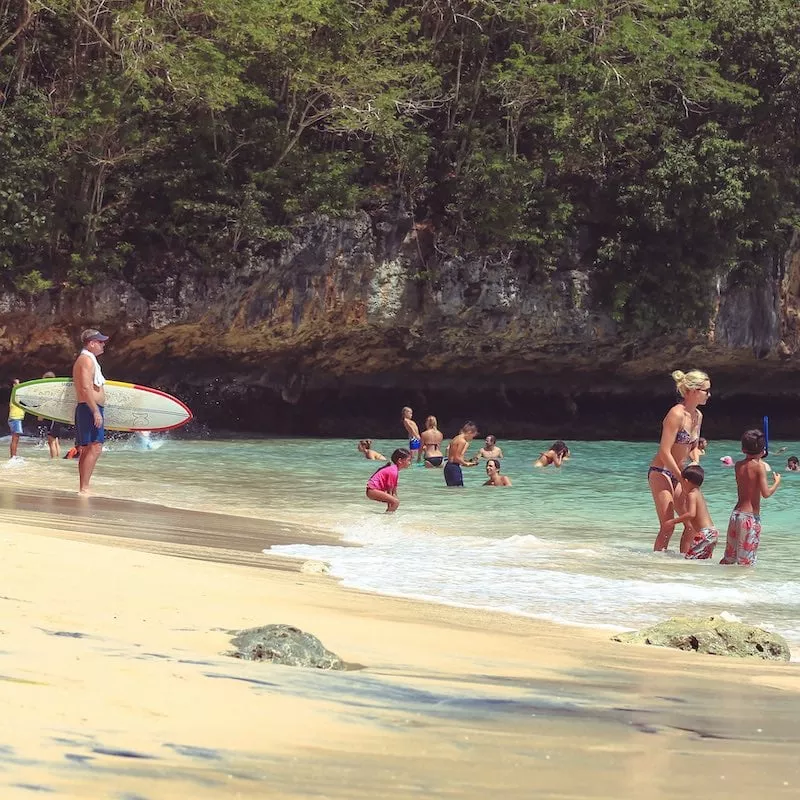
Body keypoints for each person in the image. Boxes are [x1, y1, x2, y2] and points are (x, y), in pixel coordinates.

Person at [649, 369, 710, 553]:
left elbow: (692, 448)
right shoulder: (676, 414)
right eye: (705, 390)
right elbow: (664, 451)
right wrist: (681, 478)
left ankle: (684, 565)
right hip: (662, 471)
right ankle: (656, 563)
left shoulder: (698, 416)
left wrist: (695, 460)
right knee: (668, 526)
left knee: (691, 524)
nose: (709, 394)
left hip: (681, 474)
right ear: (692, 391)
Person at [720, 429, 781, 566]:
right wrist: (776, 482)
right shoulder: (759, 467)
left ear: (743, 449)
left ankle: (722, 583)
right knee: (746, 562)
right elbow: (765, 494)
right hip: (749, 518)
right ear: (762, 450)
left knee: (729, 558)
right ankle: (744, 587)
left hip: (736, 515)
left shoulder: (738, 465)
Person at [73, 328, 109, 494]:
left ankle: (84, 487)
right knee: (95, 447)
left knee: (88, 448)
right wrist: (95, 411)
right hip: (89, 408)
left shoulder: (88, 359)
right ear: (92, 343)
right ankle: (85, 488)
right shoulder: (86, 360)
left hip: (89, 408)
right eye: (100, 342)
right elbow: (86, 387)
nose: (103, 345)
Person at [659, 465, 717, 559]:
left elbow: (691, 514)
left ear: (685, 481)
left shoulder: (691, 495)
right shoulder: (698, 493)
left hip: (704, 534)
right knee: (702, 561)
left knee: (690, 560)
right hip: (712, 532)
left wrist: (672, 521)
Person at [365, 448, 412, 512]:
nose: (410, 463)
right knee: (395, 502)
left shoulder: (394, 470)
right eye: (408, 460)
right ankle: (387, 517)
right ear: (400, 460)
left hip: (372, 490)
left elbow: (394, 492)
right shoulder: (393, 471)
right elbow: (389, 491)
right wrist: (392, 504)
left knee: (395, 501)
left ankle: (389, 516)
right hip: (372, 490)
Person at [444, 421, 480, 487]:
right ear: (469, 432)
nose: (472, 439)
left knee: (451, 490)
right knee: (459, 490)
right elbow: (457, 458)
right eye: (472, 436)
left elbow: (453, 456)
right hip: (454, 468)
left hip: (448, 467)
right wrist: (467, 464)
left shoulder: (456, 438)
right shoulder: (462, 441)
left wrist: (467, 461)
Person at [7, 378, 24, 459]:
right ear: (14, 385)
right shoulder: (15, 393)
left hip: (15, 418)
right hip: (15, 418)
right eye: (18, 383)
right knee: (15, 438)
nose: (20, 384)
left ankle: (13, 456)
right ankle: (13, 457)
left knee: (15, 438)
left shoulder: (16, 394)